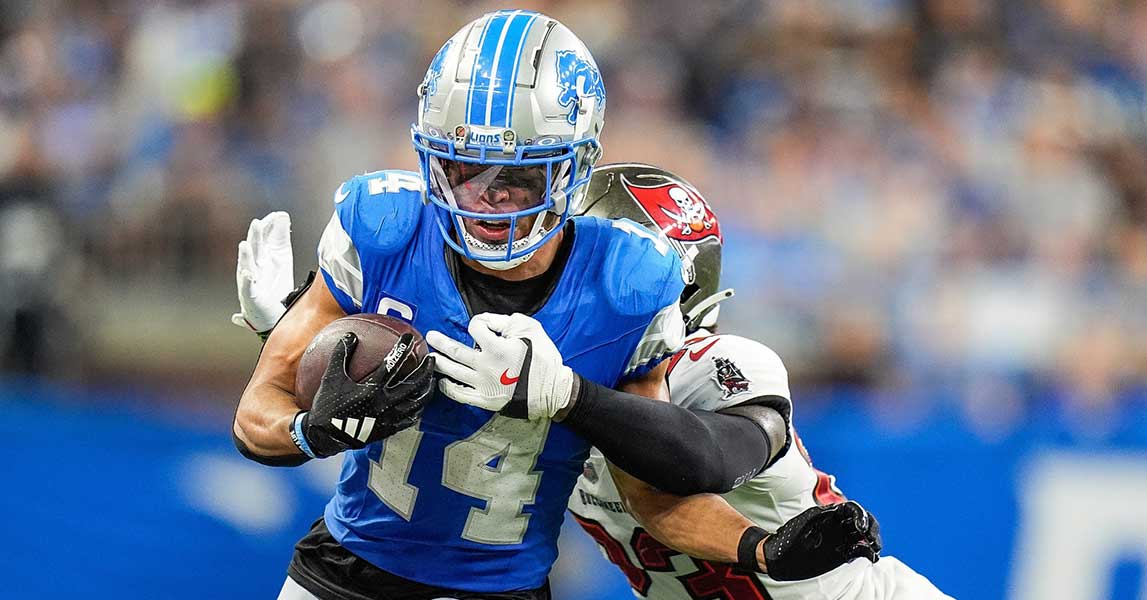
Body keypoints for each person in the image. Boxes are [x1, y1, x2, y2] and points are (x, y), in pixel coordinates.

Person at [231, 11, 873, 600]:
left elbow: (655, 489)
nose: (487, 201)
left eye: (519, 176)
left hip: (503, 587)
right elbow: (258, 409)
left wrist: (757, 545)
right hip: (342, 575)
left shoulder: (627, 285)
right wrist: (311, 427)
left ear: (574, 169)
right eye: (463, 170)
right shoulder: (384, 227)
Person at [233, 164, 937, 598]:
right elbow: (429, 414)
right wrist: (302, 338)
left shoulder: (720, 368)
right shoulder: (541, 376)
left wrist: (571, 394)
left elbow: (697, 459)